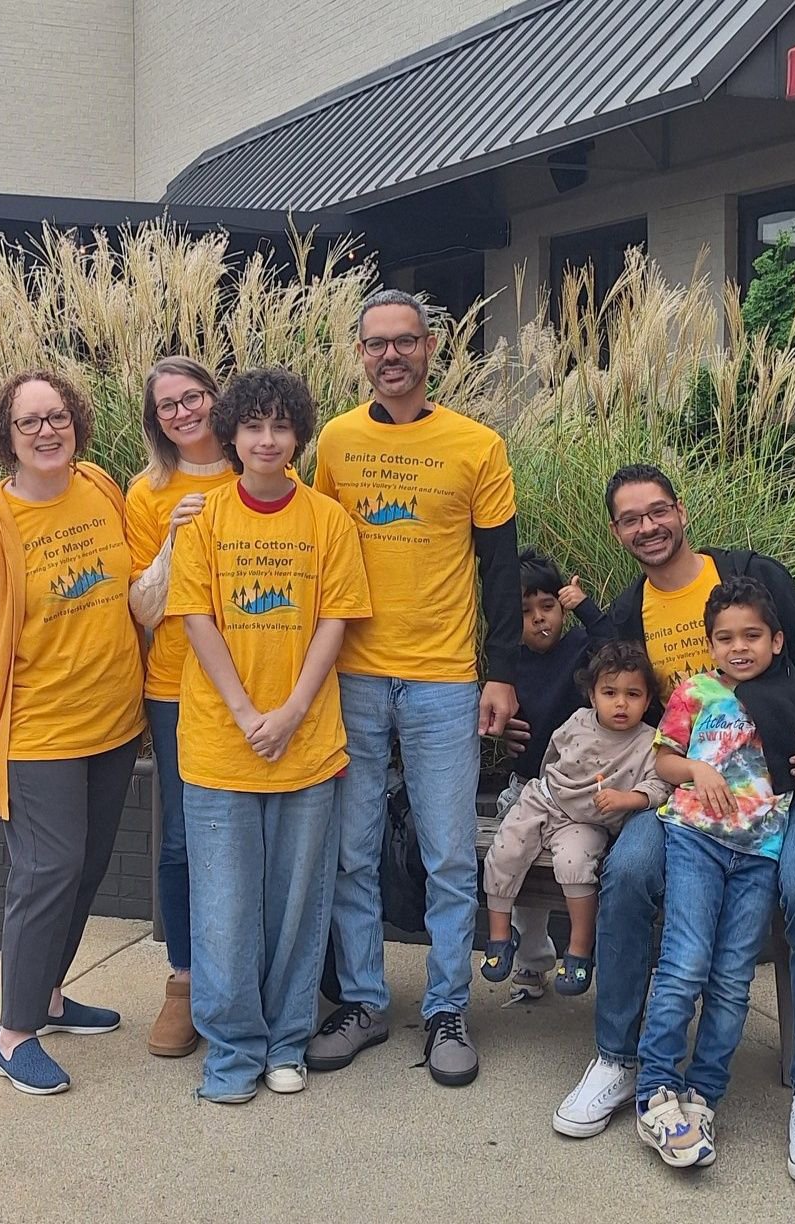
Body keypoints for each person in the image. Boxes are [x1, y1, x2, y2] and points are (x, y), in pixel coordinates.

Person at [552, 464, 795, 1187]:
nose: (648, 527)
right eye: (630, 519)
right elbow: (618, 708)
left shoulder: (752, 576)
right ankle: (619, 1060)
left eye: (658, 511)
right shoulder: (628, 613)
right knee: (625, 873)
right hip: (688, 795)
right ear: (617, 531)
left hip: (790, 793)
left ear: (680, 510)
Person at [309, 288, 521, 1087]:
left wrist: (498, 672)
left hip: (441, 679)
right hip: (352, 675)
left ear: (431, 348)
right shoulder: (334, 440)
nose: (390, 355)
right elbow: (314, 550)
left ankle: (445, 1010)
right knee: (351, 850)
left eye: (404, 341)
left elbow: (499, 567)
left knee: (447, 855)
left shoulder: (477, 446)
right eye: (375, 344)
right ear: (359, 354)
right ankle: (364, 1001)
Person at [166, 367, 371, 1104]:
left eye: (281, 427)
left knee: (294, 905)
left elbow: (335, 623)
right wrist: (249, 714)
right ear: (233, 435)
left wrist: (287, 715)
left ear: (299, 437)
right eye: (253, 426)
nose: (267, 440)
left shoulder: (327, 521)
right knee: (224, 909)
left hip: (307, 744)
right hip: (220, 745)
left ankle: (285, 1041)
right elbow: (196, 620)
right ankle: (232, 1051)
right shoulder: (207, 521)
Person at [0, 370, 145, 1095]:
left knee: (86, 868)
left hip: (114, 721)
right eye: (29, 423)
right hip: (38, 733)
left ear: (75, 422)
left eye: (56, 416)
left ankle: (50, 996)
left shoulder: (99, 486)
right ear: (8, 436)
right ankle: (13, 1033)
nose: (46, 431)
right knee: (46, 873)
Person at [637, 577, 795, 1169]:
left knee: (733, 977)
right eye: (725, 637)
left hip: (760, 851)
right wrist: (695, 771)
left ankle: (702, 1094)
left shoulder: (790, 695)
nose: (739, 647)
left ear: (777, 641)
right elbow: (662, 758)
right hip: (697, 839)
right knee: (685, 962)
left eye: (753, 635)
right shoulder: (696, 690)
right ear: (710, 644)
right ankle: (655, 1090)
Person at [125, 356, 234, 1059]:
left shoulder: (262, 457)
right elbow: (139, 607)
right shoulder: (146, 491)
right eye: (168, 405)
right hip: (174, 685)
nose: (183, 412)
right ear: (155, 420)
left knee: (251, 828)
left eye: (192, 397)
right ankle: (185, 982)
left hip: (256, 681)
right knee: (182, 835)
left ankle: (248, 975)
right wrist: (172, 537)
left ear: (215, 398)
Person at [483, 641, 669, 995]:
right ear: (592, 694)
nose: (620, 703)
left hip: (588, 821)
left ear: (647, 701)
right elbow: (551, 758)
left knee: (575, 865)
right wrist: (542, 797)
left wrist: (627, 798)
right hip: (545, 800)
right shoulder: (577, 722)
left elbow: (659, 786)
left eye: (633, 694)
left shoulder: (649, 742)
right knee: (506, 851)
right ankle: (499, 937)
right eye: (609, 692)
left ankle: (580, 951)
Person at [494, 549, 614, 1000]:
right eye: (525, 612)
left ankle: (578, 951)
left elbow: (616, 647)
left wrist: (585, 606)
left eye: (547, 607)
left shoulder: (579, 648)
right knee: (516, 863)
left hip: (579, 789)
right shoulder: (507, 664)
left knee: (573, 865)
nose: (539, 620)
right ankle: (532, 956)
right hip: (525, 785)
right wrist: (499, 733)